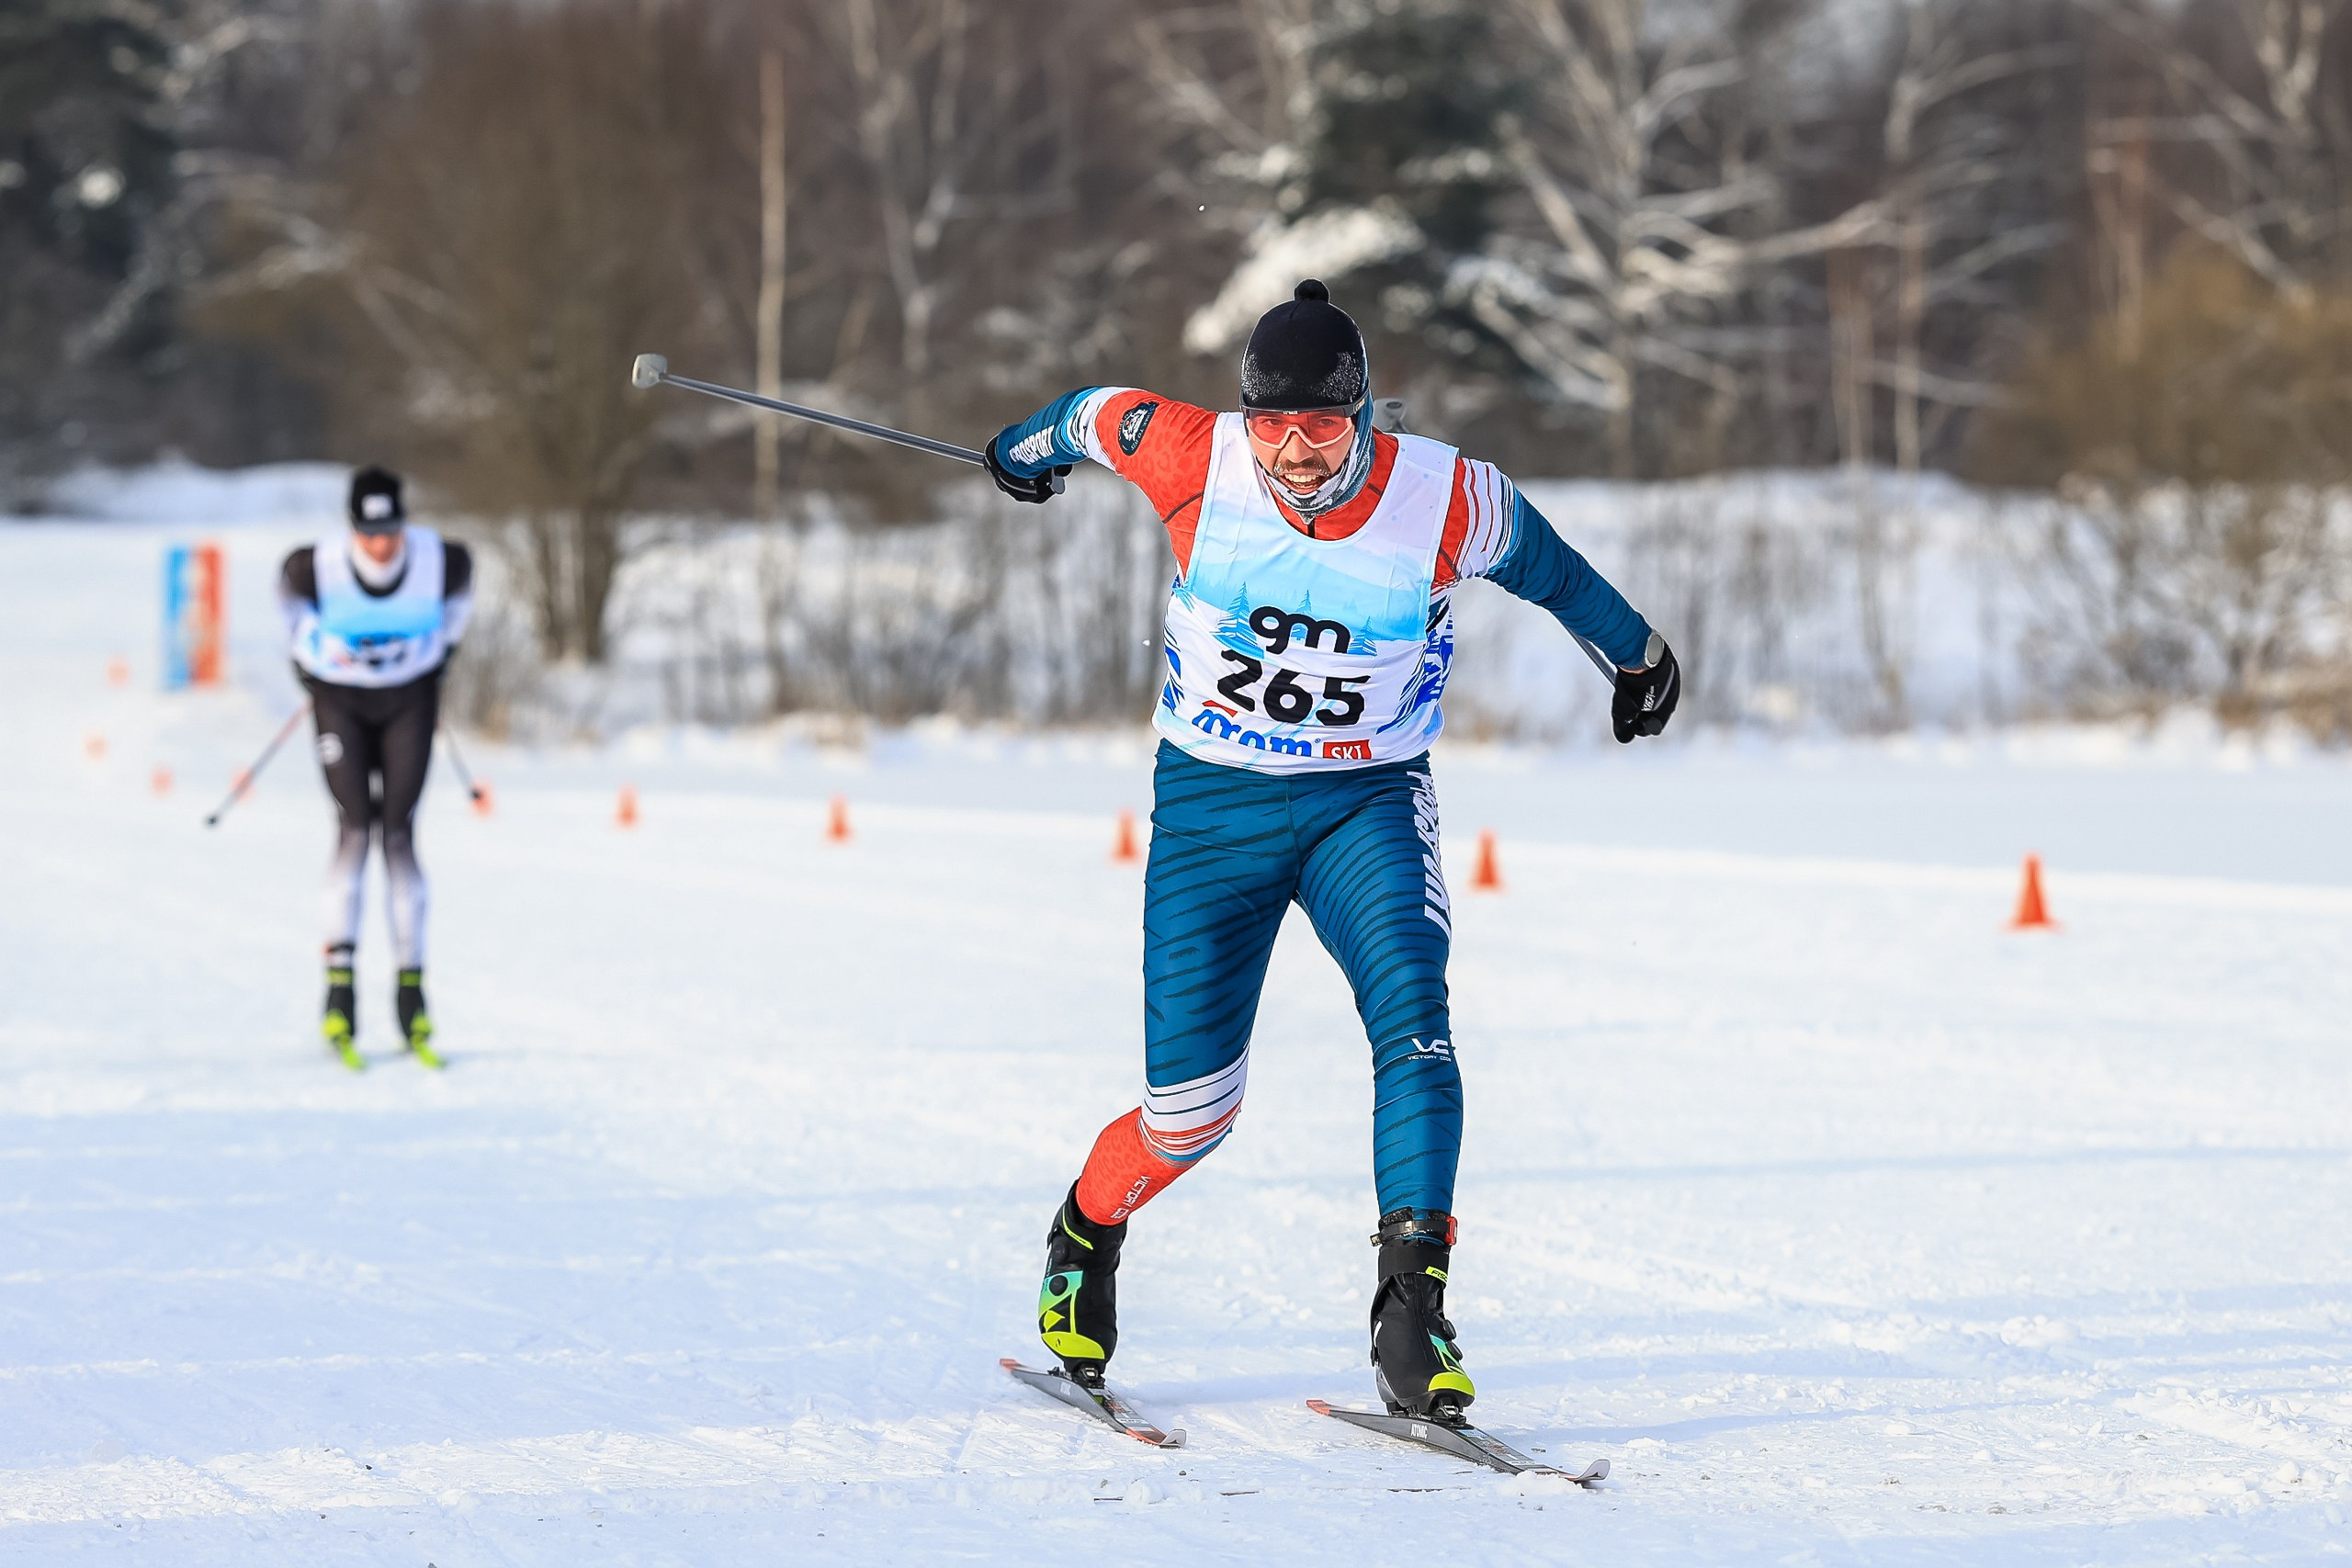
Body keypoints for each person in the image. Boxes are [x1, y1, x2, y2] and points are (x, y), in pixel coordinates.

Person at [983, 280, 1679, 1424]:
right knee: (1190, 1116)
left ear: (1366, 418)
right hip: (1214, 811)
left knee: (1416, 1023)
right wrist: (1020, 454)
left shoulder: (1449, 497)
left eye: (1322, 428)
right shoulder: (1188, 453)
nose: (1295, 455)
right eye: (1272, 428)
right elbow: (1087, 412)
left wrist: (1641, 657)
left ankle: (1412, 1309)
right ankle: (1088, 1226)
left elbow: (1561, 578)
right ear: (1242, 418)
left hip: (1365, 800)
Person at [277, 467, 473, 1071]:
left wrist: (437, 660)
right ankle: (340, 994)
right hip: (342, 702)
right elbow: (294, 625)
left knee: (398, 833)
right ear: (352, 527)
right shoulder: (312, 565)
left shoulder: (445, 561)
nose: (382, 544)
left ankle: (412, 996)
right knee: (354, 829)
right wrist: (311, 670)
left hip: (407, 702)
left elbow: (456, 618)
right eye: (369, 532)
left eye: (390, 530)